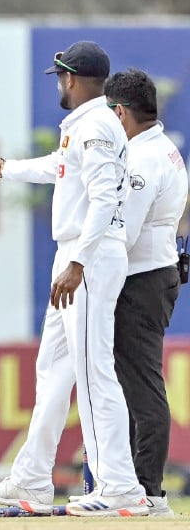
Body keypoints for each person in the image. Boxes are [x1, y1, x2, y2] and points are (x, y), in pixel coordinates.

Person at [0, 41, 148, 516]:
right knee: (53, 372)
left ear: (73, 79)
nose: (58, 84)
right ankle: (31, 480)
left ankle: (119, 487)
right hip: (76, 254)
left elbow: (106, 196)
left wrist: (79, 263)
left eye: (60, 77)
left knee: (93, 373)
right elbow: (60, 170)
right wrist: (5, 169)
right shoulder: (88, 125)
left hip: (86, 257)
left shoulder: (95, 125)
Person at [105, 69, 187, 516]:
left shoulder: (141, 161)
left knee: (141, 389)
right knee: (135, 384)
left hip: (140, 279)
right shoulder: (164, 147)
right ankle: (140, 486)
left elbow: (124, 232)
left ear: (120, 113)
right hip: (157, 274)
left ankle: (147, 490)